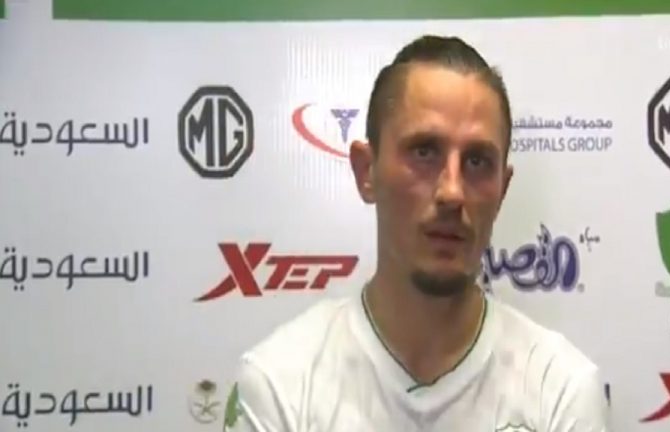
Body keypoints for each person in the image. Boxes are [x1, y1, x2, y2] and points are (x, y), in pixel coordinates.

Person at [223, 35, 610, 432]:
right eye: (424, 152)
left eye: (477, 161)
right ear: (366, 172)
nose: (452, 192)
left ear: (502, 189)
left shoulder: (560, 390)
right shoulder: (280, 383)